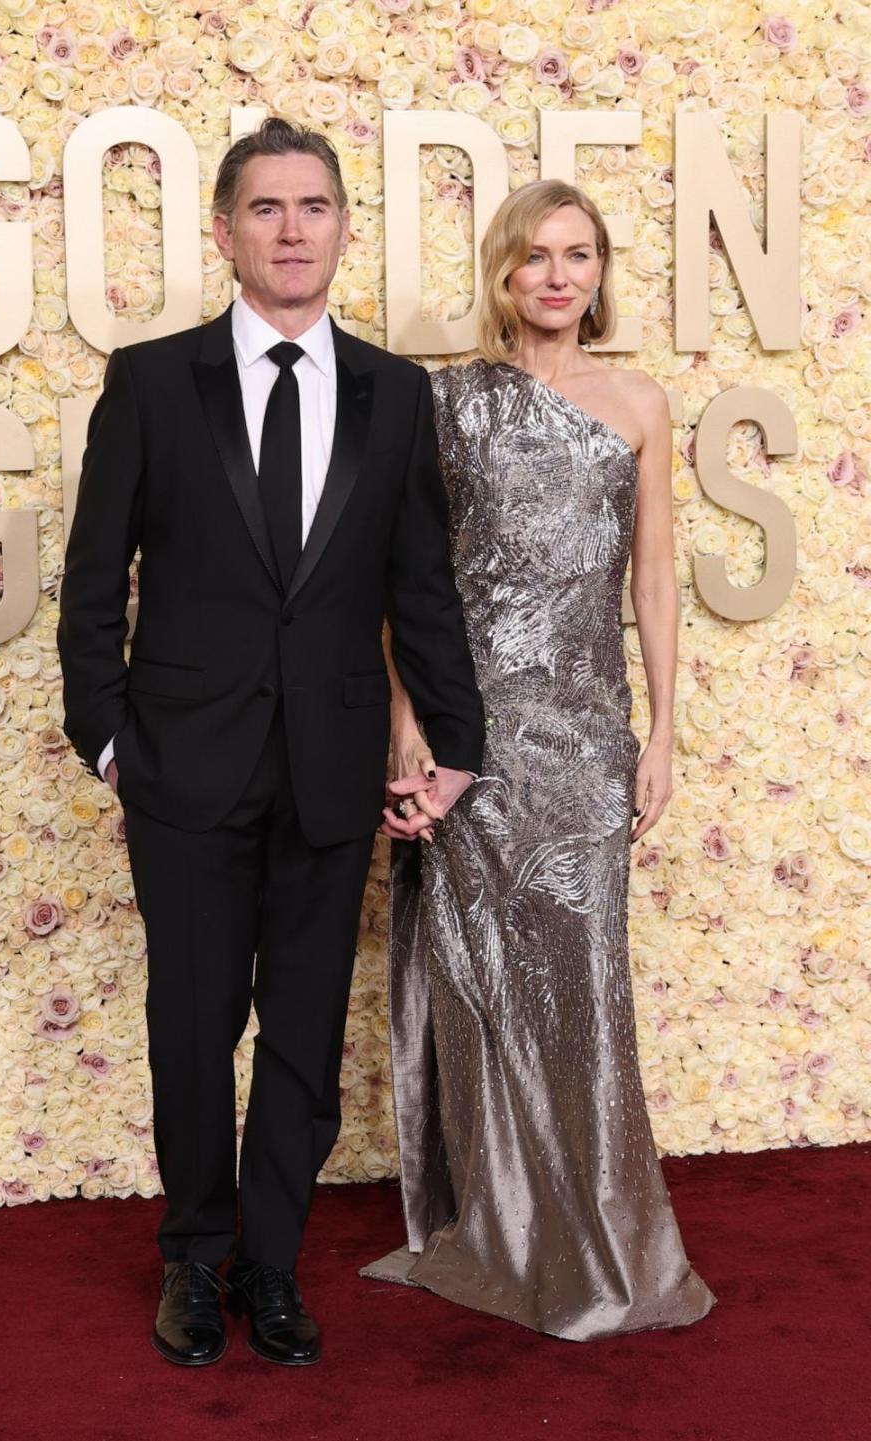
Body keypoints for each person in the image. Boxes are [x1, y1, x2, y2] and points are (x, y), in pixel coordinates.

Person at [58, 118, 484, 1368]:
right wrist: (109, 741)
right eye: (267, 209)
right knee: (192, 1024)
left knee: (302, 1030)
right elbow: (93, 587)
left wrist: (452, 745)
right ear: (225, 229)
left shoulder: (398, 395)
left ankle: (273, 1265)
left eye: (315, 207)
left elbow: (424, 587)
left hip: (332, 769)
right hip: (180, 768)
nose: (293, 229)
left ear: (345, 227)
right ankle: (193, 1257)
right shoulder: (150, 380)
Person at [369, 180, 715, 1339]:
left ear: (600, 271)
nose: (557, 276)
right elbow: (408, 584)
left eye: (578, 255)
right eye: (534, 257)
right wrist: (408, 725)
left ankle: (606, 1239)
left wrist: (663, 731)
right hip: (470, 737)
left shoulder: (639, 401)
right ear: (502, 273)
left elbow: (653, 576)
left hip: (583, 735)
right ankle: (508, 1228)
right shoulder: (447, 403)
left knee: (583, 985)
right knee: (480, 986)